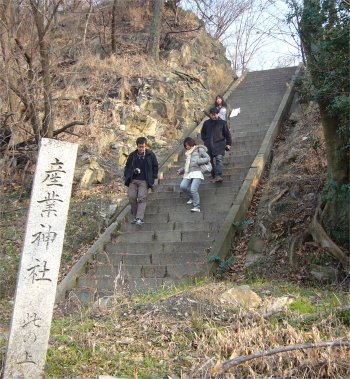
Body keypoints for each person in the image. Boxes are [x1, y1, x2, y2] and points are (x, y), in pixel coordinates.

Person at [124, 136, 158, 225]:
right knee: (131, 197)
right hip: (133, 180)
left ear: (146, 146)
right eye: (139, 147)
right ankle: (136, 217)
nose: (141, 149)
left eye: (143, 146)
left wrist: (153, 178)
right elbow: (127, 167)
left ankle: (139, 218)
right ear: (137, 146)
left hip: (144, 180)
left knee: (142, 197)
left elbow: (155, 166)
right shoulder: (132, 155)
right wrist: (130, 173)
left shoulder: (150, 155)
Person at [176, 137, 210, 213]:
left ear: (191, 143)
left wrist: (198, 161)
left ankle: (197, 207)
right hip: (188, 173)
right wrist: (180, 171)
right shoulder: (187, 153)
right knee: (183, 186)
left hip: (197, 172)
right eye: (185, 145)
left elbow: (208, 158)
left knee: (193, 189)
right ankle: (192, 197)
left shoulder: (199, 149)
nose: (187, 147)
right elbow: (187, 165)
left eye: (187, 145)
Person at [200, 107, 232, 183]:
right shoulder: (206, 123)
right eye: (212, 115)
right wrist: (206, 140)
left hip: (219, 144)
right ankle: (214, 176)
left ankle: (218, 175)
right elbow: (203, 133)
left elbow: (227, 134)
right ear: (210, 115)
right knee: (209, 161)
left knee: (219, 159)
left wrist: (228, 144)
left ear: (218, 114)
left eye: (215, 115)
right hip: (208, 146)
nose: (213, 116)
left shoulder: (223, 123)